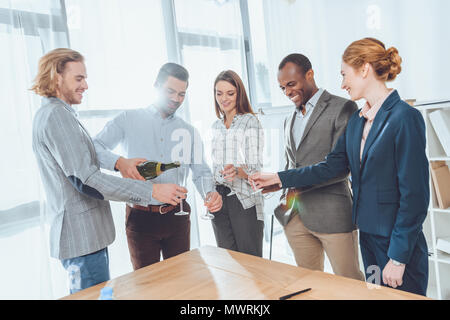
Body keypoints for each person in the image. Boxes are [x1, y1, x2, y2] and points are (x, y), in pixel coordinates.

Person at [250, 38, 429, 296]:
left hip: (397, 244)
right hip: (368, 238)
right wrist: (279, 177)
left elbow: (415, 196)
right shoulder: (358, 121)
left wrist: (399, 258)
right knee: (373, 295)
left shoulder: (404, 117)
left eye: (345, 74)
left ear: (364, 69)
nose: (343, 83)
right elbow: (330, 167)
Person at [31, 48, 184, 294]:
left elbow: (86, 151)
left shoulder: (57, 113)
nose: (86, 85)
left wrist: (119, 162)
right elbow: (86, 180)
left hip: (86, 239)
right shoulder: (57, 116)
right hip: (82, 241)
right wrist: (151, 191)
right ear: (57, 77)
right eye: (79, 78)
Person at [93, 63, 223, 270]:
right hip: (140, 217)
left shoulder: (189, 131)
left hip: (177, 216)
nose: (176, 99)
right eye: (170, 91)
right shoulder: (128, 119)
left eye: (182, 94)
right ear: (156, 86)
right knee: (147, 285)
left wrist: (210, 192)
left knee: (180, 279)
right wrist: (119, 162)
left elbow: (201, 171)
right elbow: (94, 147)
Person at [273, 54, 364, 281]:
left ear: (310, 75)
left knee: (350, 284)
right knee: (309, 285)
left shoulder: (344, 107)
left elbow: (341, 167)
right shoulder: (288, 119)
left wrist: (282, 178)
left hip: (332, 213)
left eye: (291, 84)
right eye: (282, 87)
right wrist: (281, 191)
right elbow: (291, 162)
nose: (287, 92)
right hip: (295, 217)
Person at [210, 70, 264, 257]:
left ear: (239, 93)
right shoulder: (216, 126)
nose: (224, 99)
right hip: (219, 198)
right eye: (219, 93)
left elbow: (255, 167)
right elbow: (215, 166)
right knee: (228, 261)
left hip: (244, 199)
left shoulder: (249, 121)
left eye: (230, 93)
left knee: (250, 261)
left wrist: (237, 171)